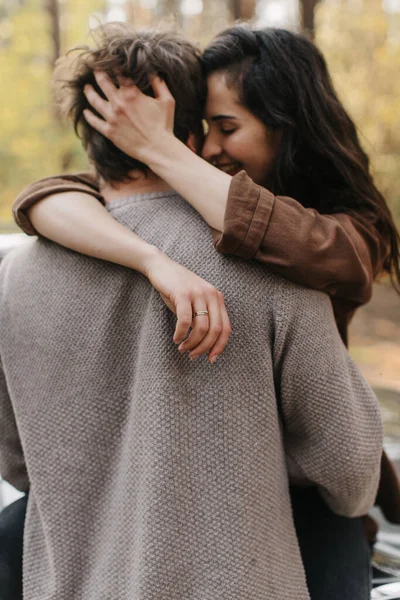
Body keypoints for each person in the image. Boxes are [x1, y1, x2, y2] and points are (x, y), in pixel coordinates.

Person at [9, 25, 400, 599]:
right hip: (252, 543)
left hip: (93, 560)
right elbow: (346, 464)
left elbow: (19, 460)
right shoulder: (267, 279)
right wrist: (152, 259)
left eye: (230, 127)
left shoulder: (326, 241)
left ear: (288, 128)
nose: (215, 148)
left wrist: (159, 150)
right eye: (208, 129)